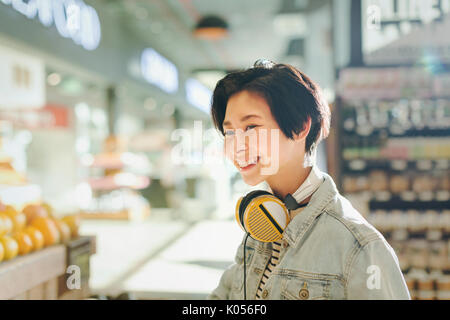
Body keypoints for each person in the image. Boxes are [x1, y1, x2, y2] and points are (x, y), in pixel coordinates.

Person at [207, 60, 410, 300]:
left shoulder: (359, 247)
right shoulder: (262, 223)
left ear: (301, 126)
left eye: (251, 127)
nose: (237, 147)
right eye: (230, 132)